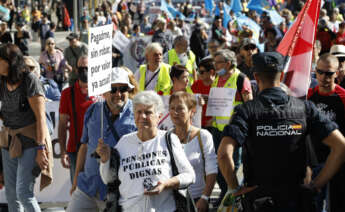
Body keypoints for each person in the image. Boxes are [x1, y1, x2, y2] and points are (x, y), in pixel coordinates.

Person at [218, 52, 345, 211]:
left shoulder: (246, 111)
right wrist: (316, 185)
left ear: (256, 77)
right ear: (282, 75)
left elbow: (223, 154)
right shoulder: (304, 108)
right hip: (297, 199)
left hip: (259, 200)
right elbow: (340, 145)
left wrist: (235, 189)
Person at [98, 91, 196, 211]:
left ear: (159, 117)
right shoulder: (124, 142)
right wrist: (105, 160)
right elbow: (108, 179)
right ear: (134, 115)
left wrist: (166, 184)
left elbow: (190, 176)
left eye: (148, 112)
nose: (142, 116)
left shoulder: (168, 139)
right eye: (139, 112)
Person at [66, 68, 138, 212]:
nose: (118, 94)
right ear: (104, 92)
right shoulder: (93, 110)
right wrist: (75, 181)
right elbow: (84, 146)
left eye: (123, 89)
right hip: (87, 186)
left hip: (119, 192)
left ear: (128, 91)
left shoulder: (138, 113)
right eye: (113, 89)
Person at [0, 44, 53, 212]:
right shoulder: (1, 80)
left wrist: (40, 148)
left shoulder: (30, 80)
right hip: (9, 140)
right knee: (11, 194)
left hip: (31, 141)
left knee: (24, 193)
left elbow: (40, 119)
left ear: (10, 61)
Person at [211, 49, 253, 205]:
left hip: (234, 131)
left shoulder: (241, 79)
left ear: (228, 63)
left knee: (232, 165)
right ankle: (225, 193)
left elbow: (249, 104)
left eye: (218, 62)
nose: (215, 66)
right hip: (218, 128)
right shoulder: (217, 78)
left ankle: (233, 196)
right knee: (218, 164)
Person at [307, 53, 345, 212]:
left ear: (337, 73)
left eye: (329, 73)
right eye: (319, 72)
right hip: (313, 161)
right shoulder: (309, 96)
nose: (323, 77)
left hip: (338, 163)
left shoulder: (343, 97)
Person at [169, 91, 217, 212]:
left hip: (198, 200)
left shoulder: (203, 136)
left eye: (180, 108)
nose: (175, 112)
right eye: (172, 108)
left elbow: (212, 169)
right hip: (171, 201)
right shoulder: (165, 137)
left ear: (192, 111)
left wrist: (205, 198)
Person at [58, 56, 95, 184]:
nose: (84, 71)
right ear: (76, 70)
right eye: (81, 68)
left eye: (87, 68)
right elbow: (62, 125)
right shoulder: (67, 93)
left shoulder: (103, 93)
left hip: (99, 150)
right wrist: (63, 152)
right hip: (76, 149)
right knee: (78, 189)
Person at [191, 58, 216, 129]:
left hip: (213, 125)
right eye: (198, 71)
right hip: (197, 124)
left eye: (202, 72)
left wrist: (214, 120)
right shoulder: (196, 85)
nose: (199, 74)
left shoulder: (219, 85)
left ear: (211, 72)